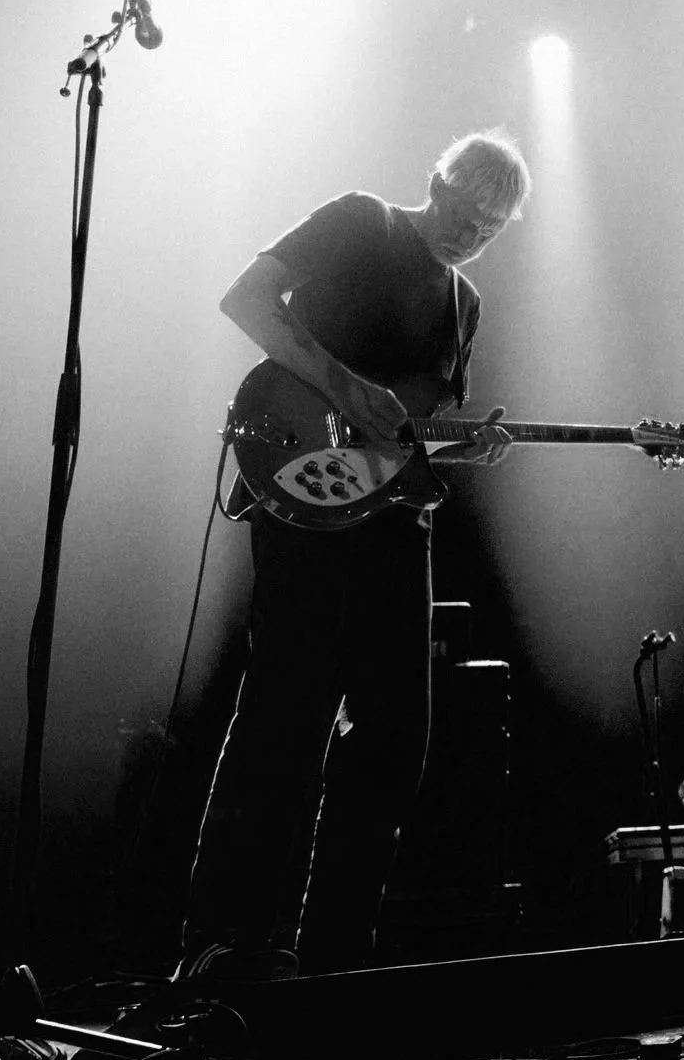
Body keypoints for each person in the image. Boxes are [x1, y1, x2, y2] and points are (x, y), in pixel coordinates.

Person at [180, 129, 530, 979]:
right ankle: (222, 944)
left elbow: (412, 435)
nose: (465, 234)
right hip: (300, 490)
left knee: (396, 735)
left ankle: (336, 954)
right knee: (284, 713)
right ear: (435, 180)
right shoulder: (359, 222)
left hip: (392, 523)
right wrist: (344, 387)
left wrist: (464, 446)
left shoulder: (465, 305)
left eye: (487, 228)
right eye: (460, 210)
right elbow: (245, 299)